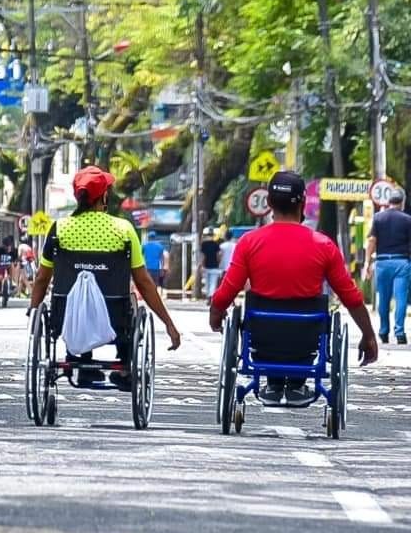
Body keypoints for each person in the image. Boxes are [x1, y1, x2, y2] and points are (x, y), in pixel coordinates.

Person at [210, 171, 378, 405]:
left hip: (261, 338)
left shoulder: (249, 242)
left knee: (261, 321)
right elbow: (351, 297)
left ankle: (274, 382)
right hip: (307, 339)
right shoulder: (324, 245)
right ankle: (297, 384)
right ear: (302, 202)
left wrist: (216, 315)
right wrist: (368, 335)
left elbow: (226, 292)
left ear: (268, 203)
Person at [29, 166, 181, 390]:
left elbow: (42, 278)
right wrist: (168, 323)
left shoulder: (59, 228)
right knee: (129, 300)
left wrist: (33, 310)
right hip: (114, 317)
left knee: (76, 298)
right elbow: (143, 282)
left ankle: (81, 360)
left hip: (69, 316)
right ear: (104, 196)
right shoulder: (123, 229)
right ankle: (126, 368)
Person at [363, 189, 411, 344]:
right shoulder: (408, 220)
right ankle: (400, 332)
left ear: (388, 202)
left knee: (383, 299)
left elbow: (372, 241)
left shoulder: (378, 218)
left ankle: (384, 332)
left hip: (382, 263)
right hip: (402, 263)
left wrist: (367, 263)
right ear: (402, 203)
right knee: (401, 298)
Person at [200, 227, 223, 299]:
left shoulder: (204, 244)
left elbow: (203, 256)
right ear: (213, 236)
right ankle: (211, 296)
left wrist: (202, 265)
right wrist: (218, 263)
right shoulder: (216, 244)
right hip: (215, 266)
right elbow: (218, 255)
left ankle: (208, 296)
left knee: (207, 283)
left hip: (206, 266)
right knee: (213, 283)